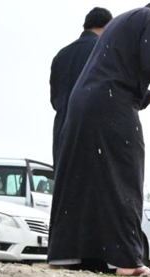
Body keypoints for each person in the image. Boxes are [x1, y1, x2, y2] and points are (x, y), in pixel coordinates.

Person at [47, 0, 150, 277]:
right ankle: (128, 261)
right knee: (125, 172)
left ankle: (66, 254)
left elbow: (116, 69)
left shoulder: (123, 19)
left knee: (82, 178)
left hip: (85, 103)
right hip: (110, 103)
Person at [49, 7, 113, 170]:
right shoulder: (102, 50)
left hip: (62, 134)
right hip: (92, 136)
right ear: (108, 26)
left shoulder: (61, 55)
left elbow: (54, 98)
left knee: (65, 191)